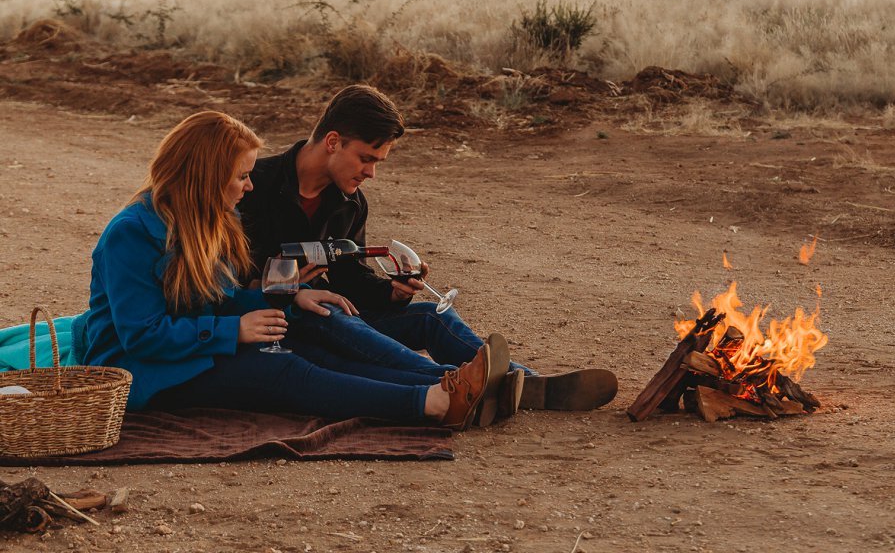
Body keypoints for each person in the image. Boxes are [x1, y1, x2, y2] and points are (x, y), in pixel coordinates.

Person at [75, 110, 504, 431]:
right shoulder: (131, 233)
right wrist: (234, 331)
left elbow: (218, 299)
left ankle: (453, 385)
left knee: (309, 341)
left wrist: (287, 297)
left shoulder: (217, 220)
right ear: (207, 176)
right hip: (138, 369)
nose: (250, 185)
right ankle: (433, 404)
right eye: (241, 175)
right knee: (277, 368)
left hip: (190, 346)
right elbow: (140, 335)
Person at [238, 85, 617, 426]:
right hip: (280, 319)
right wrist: (288, 289)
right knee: (329, 312)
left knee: (430, 318)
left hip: (333, 311)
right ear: (333, 141)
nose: (371, 173)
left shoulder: (350, 204)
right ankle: (460, 384)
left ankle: (528, 384)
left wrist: (394, 290)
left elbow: (350, 280)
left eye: (377, 162)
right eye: (366, 158)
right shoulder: (253, 186)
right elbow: (229, 280)